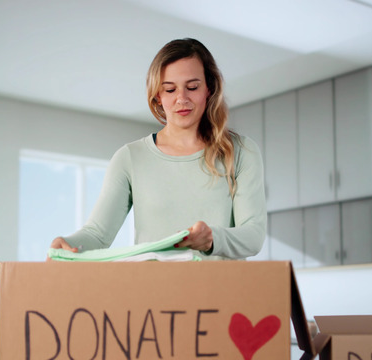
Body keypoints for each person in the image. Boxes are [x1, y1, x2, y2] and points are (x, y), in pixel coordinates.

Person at [49, 38, 266, 260]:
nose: (182, 98)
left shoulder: (241, 151)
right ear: (158, 96)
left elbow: (254, 234)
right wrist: (67, 244)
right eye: (170, 89)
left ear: (209, 89)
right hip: (152, 290)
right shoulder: (130, 158)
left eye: (192, 87)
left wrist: (212, 239)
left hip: (222, 292)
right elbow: (98, 234)